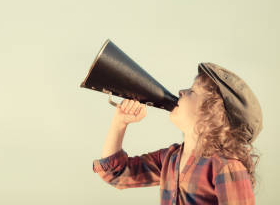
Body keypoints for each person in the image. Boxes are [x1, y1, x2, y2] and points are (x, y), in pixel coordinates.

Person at [92, 62, 262, 205]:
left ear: (212, 114)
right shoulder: (171, 158)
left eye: (192, 91)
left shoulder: (226, 166)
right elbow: (116, 174)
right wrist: (119, 123)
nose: (181, 91)